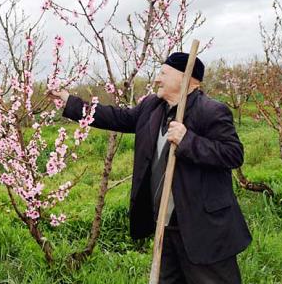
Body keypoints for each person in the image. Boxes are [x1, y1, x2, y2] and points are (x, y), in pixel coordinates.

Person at [49, 53, 250, 284]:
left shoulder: (211, 111)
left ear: (187, 79)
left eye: (164, 73)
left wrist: (188, 141)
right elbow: (116, 117)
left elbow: (234, 154)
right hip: (165, 225)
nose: (157, 80)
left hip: (203, 228)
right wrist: (69, 101)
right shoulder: (152, 107)